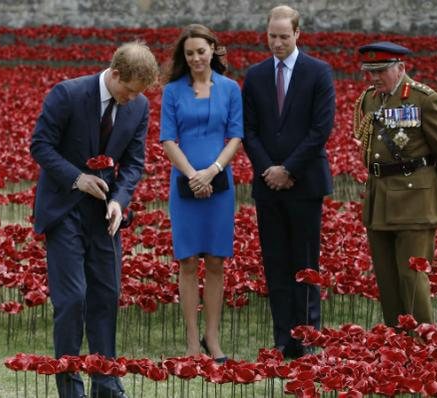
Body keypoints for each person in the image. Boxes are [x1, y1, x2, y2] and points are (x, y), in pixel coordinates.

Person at [31, 41, 158, 398]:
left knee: (106, 295)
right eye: (129, 90)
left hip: (105, 215)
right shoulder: (68, 94)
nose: (132, 99)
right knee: (72, 298)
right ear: (115, 74)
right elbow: (40, 145)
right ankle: (71, 388)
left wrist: (120, 200)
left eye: (139, 94)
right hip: (64, 208)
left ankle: (105, 382)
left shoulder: (139, 106)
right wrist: (77, 178)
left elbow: (134, 162)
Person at [242, 5, 336, 359]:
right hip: (268, 186)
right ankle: (284, 338)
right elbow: (248, 130)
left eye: (284, 36)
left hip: (305, 183)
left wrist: (289, 170)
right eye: (272, 36)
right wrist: (269, 169)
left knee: (306, 263)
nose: (277, 43)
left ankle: (308, 336)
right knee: (275, 262)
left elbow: (320, 129)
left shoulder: (318, 73)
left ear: (298, 34)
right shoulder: (255, 75)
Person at [352, 41, 437, 327]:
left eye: (381, 71)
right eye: (370, 71)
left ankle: (424, 346)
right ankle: (396, 346)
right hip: (380, 200)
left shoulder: (424, 100)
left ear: (401, 68)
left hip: (416, 201)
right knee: (387, 279)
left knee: (412, 278)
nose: (375, 77)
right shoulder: (369, 100)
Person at [159, 24, 243, 362]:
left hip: (220, 183)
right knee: (189, 261)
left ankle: (213, 337)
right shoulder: (172, 91)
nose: (195, 57)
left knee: (217, 261)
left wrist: (213, 171)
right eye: (189, 53)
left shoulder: (231, 88)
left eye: (201, 51)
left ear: (213, 50)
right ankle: (192, 342)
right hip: (184, 182)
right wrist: (193, 174)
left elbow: (236, 136)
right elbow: (167, 139)